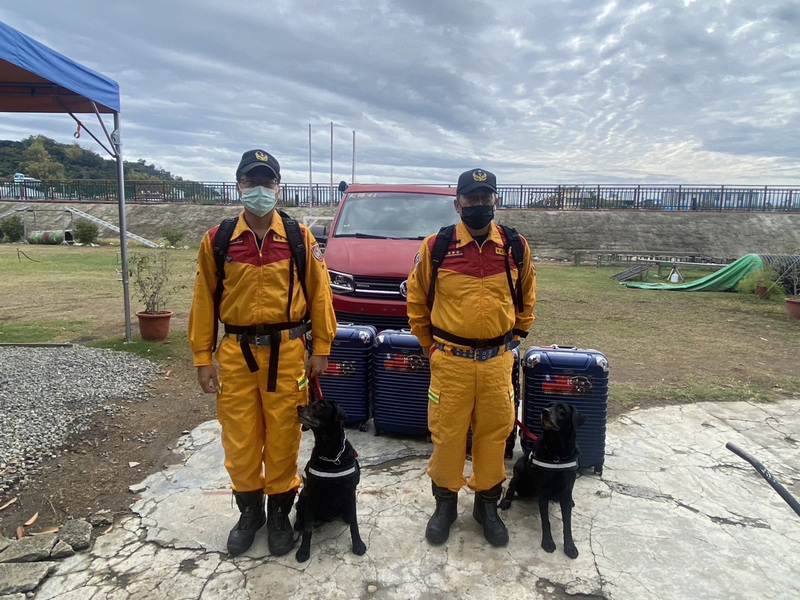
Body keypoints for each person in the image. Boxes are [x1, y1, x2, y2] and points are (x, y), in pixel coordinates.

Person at [188, 149, 336, 557]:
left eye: (266, 181)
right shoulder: (218, 240)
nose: (259, 189)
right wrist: (203, 357)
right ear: (239, 185)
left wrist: (320, 347)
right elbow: (203, 301)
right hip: (236, 354)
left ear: (278, 187)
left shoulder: (298, 237)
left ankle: (278, 514)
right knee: (240, 437)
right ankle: (249, 512)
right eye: (250, 181)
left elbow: (320, 296)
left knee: (284, 436)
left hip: (287, 354)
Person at [405, 168, 536, 547]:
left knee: (495, 435)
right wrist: (430, 346)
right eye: (471, 198)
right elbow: (416, 302)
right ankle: (445, 504)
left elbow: (526, 300)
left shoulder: (514, 246)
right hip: (451, 362)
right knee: (447, 436)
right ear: (457, 202)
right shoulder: (436, 247)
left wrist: (513, 340)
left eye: (485, 197)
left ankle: (486, 505)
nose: (478, 204)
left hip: (497, 363)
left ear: (495, 199)